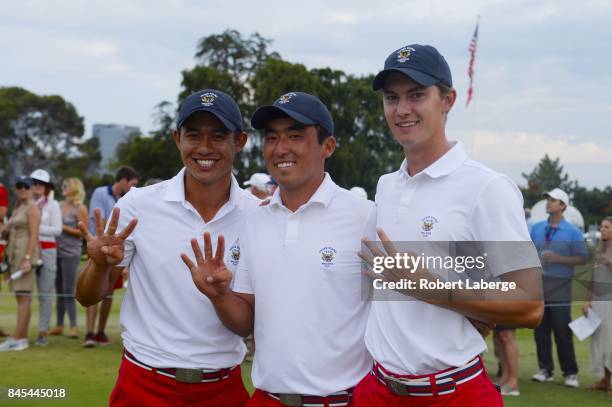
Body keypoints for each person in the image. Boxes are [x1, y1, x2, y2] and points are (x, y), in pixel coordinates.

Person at [351, 44, 544, 406]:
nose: (402, 109)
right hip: (377, 390)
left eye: (416, 95)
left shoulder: (487, 187)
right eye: (391, 98)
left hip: (452, 393)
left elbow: (529, 305)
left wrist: (429, 287)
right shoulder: (387, 186)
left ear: (448, 100)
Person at [182, 91, 375, 406]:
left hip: (343, 401)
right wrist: (219, 295)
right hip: (267, 398)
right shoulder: (255, 219)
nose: (280, 148)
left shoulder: (365, 216)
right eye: (271, 138)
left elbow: (408, 309)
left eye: (295, 136)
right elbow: (245, 321)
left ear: (328, 146)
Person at [76, 89, 254, 406]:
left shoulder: (258, 215)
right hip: (144, 384)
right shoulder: (138, 205)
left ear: (238, 142)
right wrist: (100, 265)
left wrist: (220, 294)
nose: (204, 148)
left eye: (217, 136)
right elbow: (87, 296)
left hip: (222, 388)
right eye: (193, 135)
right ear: (177, 138)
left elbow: (248, 324)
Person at [530, 188, 588, 388]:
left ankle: (570, 372)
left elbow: (582, 258)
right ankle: (545, 369)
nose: (548, 203)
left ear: (562, 205)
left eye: (553, 200)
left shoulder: (572, 231)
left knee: (562, 329)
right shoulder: (536, 228)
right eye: (547, 200)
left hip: (561, 284)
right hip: (539, 284)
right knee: (540, 329)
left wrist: (558, 259)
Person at [83, 166, 139, 347]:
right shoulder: (100, 192)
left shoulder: (130, 199)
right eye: (132, 184)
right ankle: (89, 332)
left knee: (109, 292)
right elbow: (96, 220)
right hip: (100, 250)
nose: (133, 188)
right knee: (94, 288)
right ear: (123, 180)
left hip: (120, 252)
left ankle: (100, 331)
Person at [0, 176, 41, 351]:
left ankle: (19, 338)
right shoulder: (18, 207)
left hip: (25, 256)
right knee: (20, 297)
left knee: (24, 297)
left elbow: (34, 234)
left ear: (31, 189)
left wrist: (27, 259)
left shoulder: (32, 208)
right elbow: (8, 229)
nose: (23, 189)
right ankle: (20, 337)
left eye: (26, 186)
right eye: (19, 186)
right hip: (15, 256)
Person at [49, 178, 89, 338]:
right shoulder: (58, 206)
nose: (62, 188)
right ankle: (59, 325)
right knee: (58, 290)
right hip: (55, 252)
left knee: (68, 289)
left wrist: (61, 227)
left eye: (65, 186)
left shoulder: (80, 208)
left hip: (71, 253)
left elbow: (83, 232)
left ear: (74, 188)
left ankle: (73, 326)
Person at [30, 169, 62, 347]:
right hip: (29, 251)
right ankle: (20, 333)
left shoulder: (53, 204)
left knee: (45, 294)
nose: (37, 187)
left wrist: (34, 229)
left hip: (48, 251)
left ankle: (42, 332)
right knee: (25, 293)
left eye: (40, 184)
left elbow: (57, 230)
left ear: (47, 187)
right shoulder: (26, 203)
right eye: (34, 183)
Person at [583, 216, 612, 395]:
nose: (602, 229)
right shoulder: (598, 252)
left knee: (611, 342)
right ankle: (604, 379)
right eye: (601, 226)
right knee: (599, 341)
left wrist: (609, 263)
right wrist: (587, 300)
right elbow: (592, 279)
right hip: (598, 302)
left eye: (606, 227)